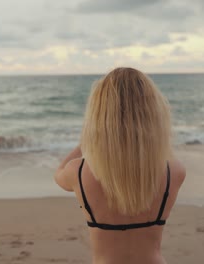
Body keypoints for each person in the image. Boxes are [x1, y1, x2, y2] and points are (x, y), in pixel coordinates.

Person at [54, 67, 186, 264]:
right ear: (154, 113)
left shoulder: (79, 172)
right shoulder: (174, 171)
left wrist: (86, 141)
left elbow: (58, 174)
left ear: (98, 117)